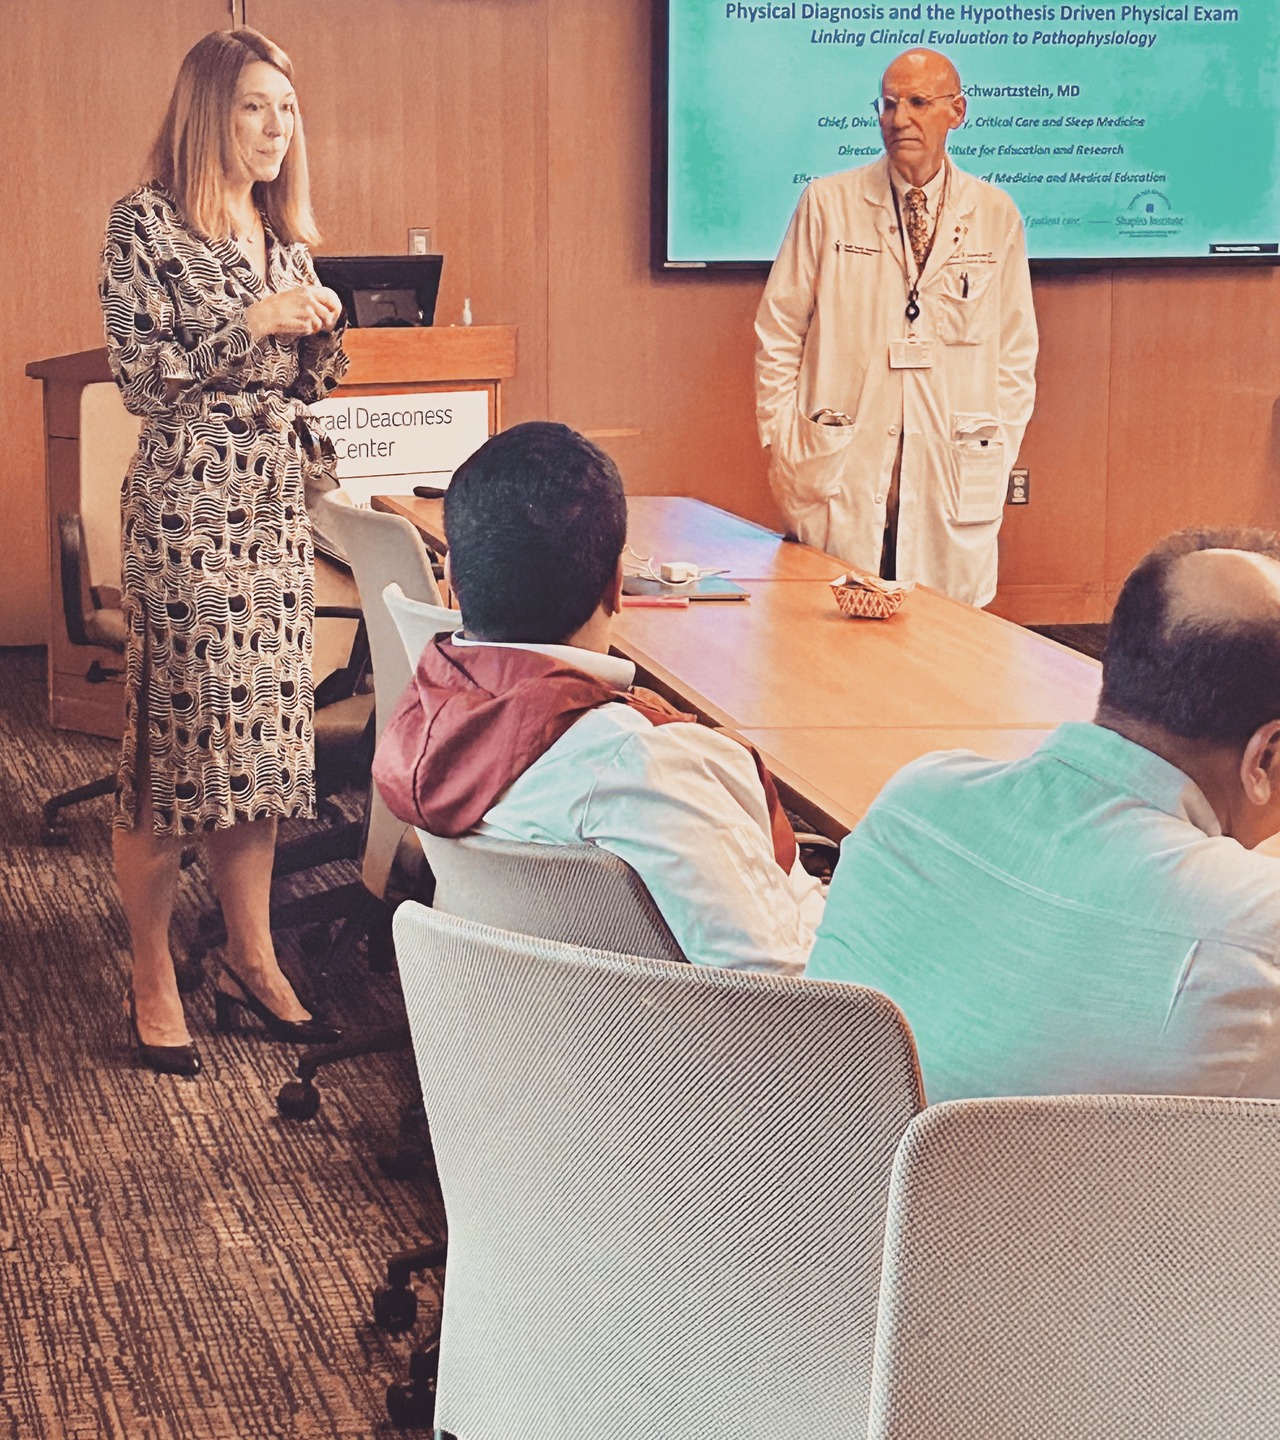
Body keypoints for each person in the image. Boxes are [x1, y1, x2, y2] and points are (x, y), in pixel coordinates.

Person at [807, 529, 1280, 1112]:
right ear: (1268, 754)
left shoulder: (917, 799)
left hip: (807, 1188)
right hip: (1041, 1205)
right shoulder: (1275, 930)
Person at [101, 27, 347, 1075]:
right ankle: (152, 976)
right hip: (188, 518)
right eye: (255, 106)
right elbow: (141, 379)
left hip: (272, 515)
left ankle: (252, 956)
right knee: (176, 752)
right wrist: (254, 321)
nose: (276, 128)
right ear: (210, 111)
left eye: (286, 109)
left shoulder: (279, 229)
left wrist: (319, 331)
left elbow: (303, 382)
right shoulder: (144, 223)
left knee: (261, 753)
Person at [372, 422, 823, 975]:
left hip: (525, 1009)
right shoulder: (639, 765)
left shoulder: (424, 713)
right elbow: (787, 983)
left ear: (452, 579)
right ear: (616, 585)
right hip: (674, 1026)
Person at [755, 47, 1038, 608]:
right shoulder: (828, 203)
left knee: (945, 636)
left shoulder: (994, 213)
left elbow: (1015, 352)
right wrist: (783, 438)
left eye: (917, 102)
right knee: (831, 631)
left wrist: (996, 449)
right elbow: (779, 330)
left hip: (949, 467)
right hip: (843, 459)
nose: (899, 118)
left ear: (957, 111)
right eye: (888, 104)